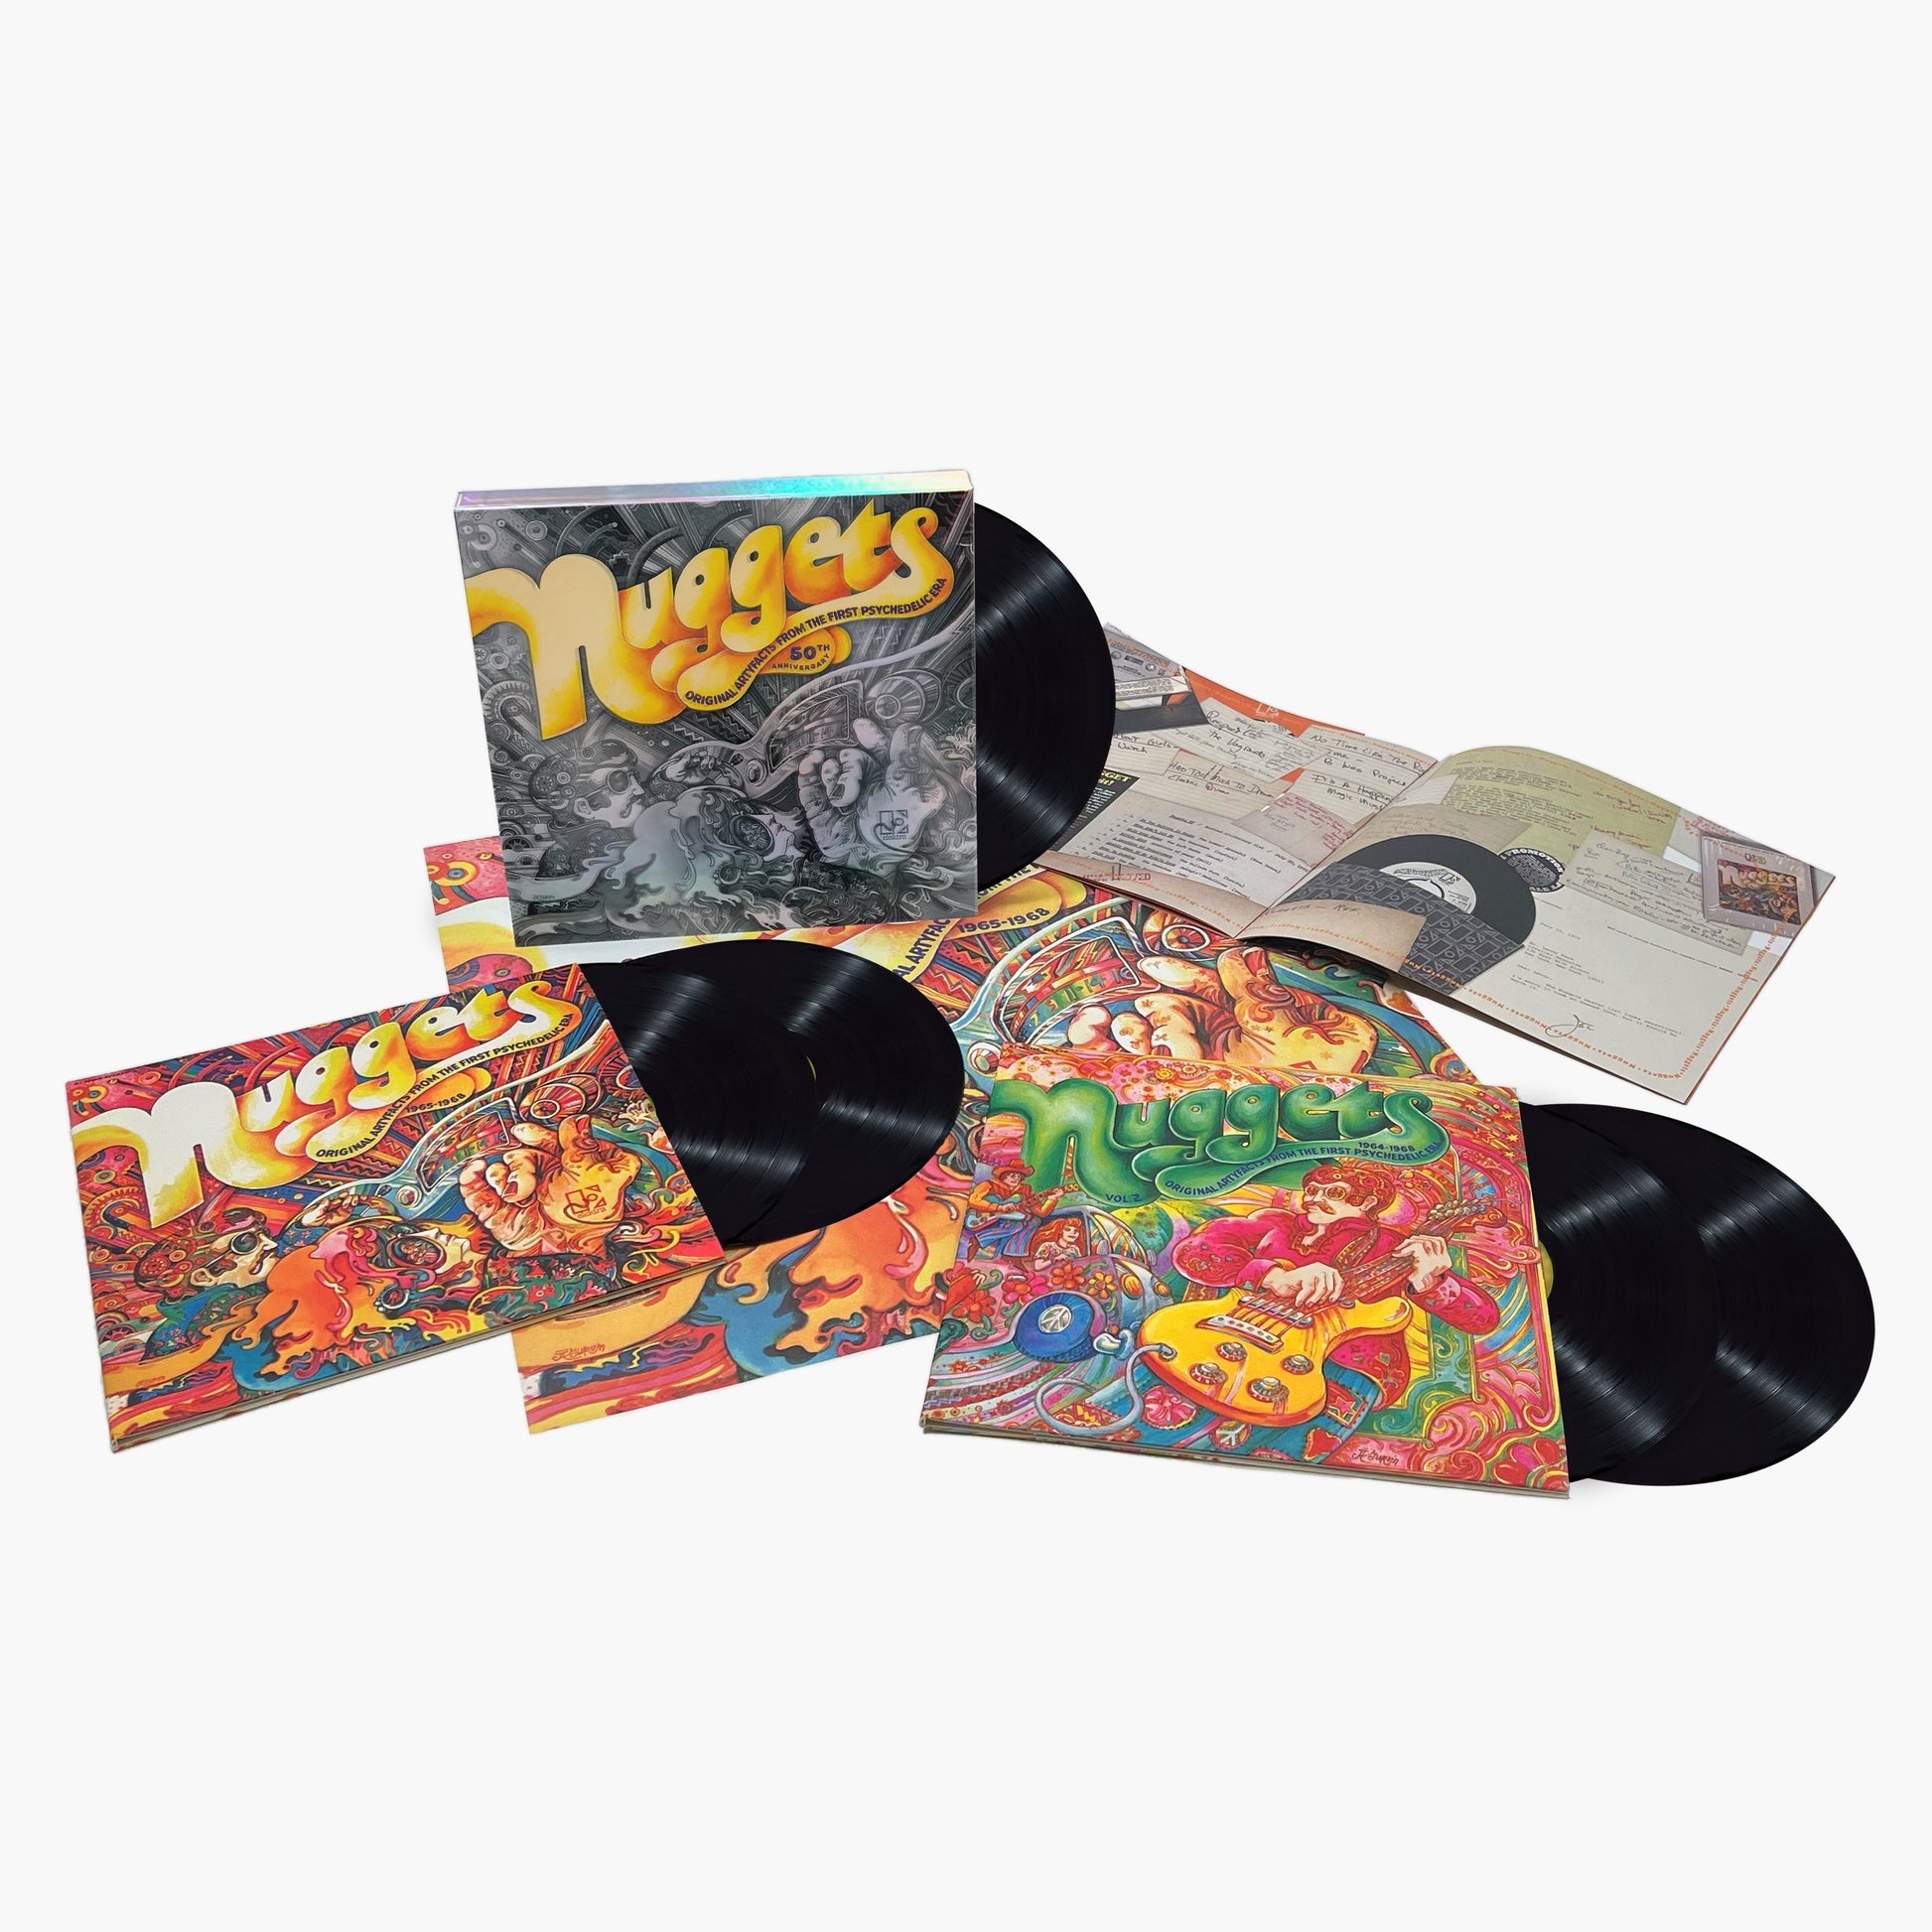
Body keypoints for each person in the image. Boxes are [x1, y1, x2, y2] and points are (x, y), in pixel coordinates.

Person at [1168, 1158, 1499, 1458]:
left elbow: (1483, 1318)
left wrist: (1431, 1281)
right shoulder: (1277, 1224)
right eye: (1312, 1190)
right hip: (1233, 1333)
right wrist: (1273, 1275)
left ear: (1368, 1202)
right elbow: (1195, 1249)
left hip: (1341, 1368)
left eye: (1334, 1193)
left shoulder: (1395, 1247)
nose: (1314, 1198)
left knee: (1272, 1453)